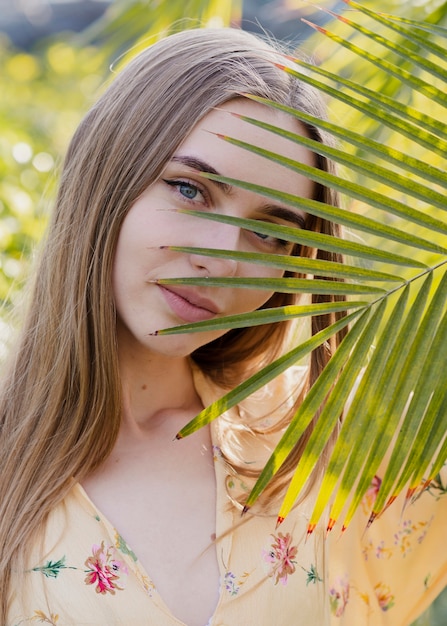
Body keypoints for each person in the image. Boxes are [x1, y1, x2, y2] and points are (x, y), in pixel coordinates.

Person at [0, 26, 445, 626]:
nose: (224, 256)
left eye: (269, 230)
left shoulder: (322, 454)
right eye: (191, 189)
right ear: (107, 176)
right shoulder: (11, 453)